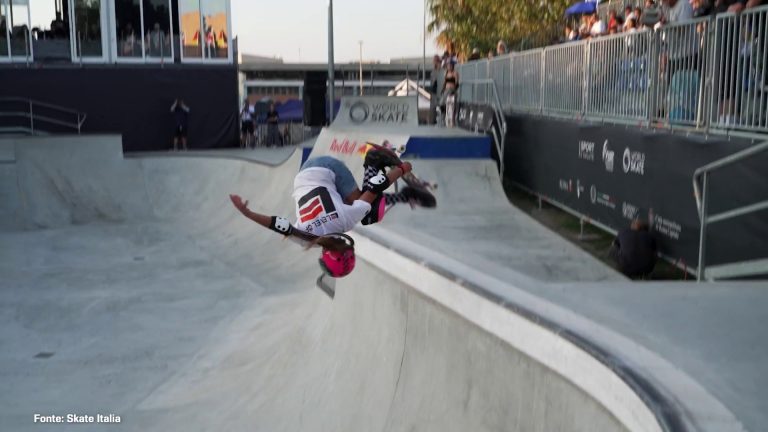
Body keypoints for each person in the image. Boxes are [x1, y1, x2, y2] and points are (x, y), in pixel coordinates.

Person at [230, 150, 433, 278]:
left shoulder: (347, 220)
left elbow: (374, 188)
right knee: (360, 204)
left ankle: (374, 162)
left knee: (369, 214)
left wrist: (401, 168)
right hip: (303, 174)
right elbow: (277, 225)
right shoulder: (304, 239)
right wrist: (248, 213)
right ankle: (405, 196)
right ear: (323, 253)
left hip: (329, 168)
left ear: (348, 247)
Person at [441, 62, 459, 127]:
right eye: (448, 66)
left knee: (453, 105)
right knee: (442, 103)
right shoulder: (446, 73)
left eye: (450, 66)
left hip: (452, 90)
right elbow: (445, 82)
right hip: (446, 89)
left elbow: (457, 83)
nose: (449, 67)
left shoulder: (455, 73)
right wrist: (442, 90)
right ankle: (444, 116)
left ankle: (453, 119)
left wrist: (454, 90)